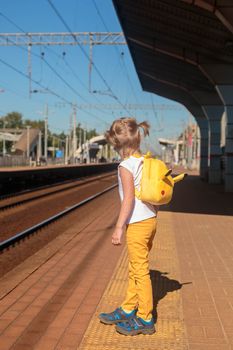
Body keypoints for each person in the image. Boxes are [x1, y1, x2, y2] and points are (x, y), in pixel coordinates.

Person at [99, 117, 158, 336]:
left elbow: (129, 200)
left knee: (140, 271)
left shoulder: (125, 166)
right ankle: (127, 308)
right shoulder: (144, 160)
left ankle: (144, 317)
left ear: (118, 145)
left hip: (138, 223)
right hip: (150, 220)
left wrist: (118, 227)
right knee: (136, 267)